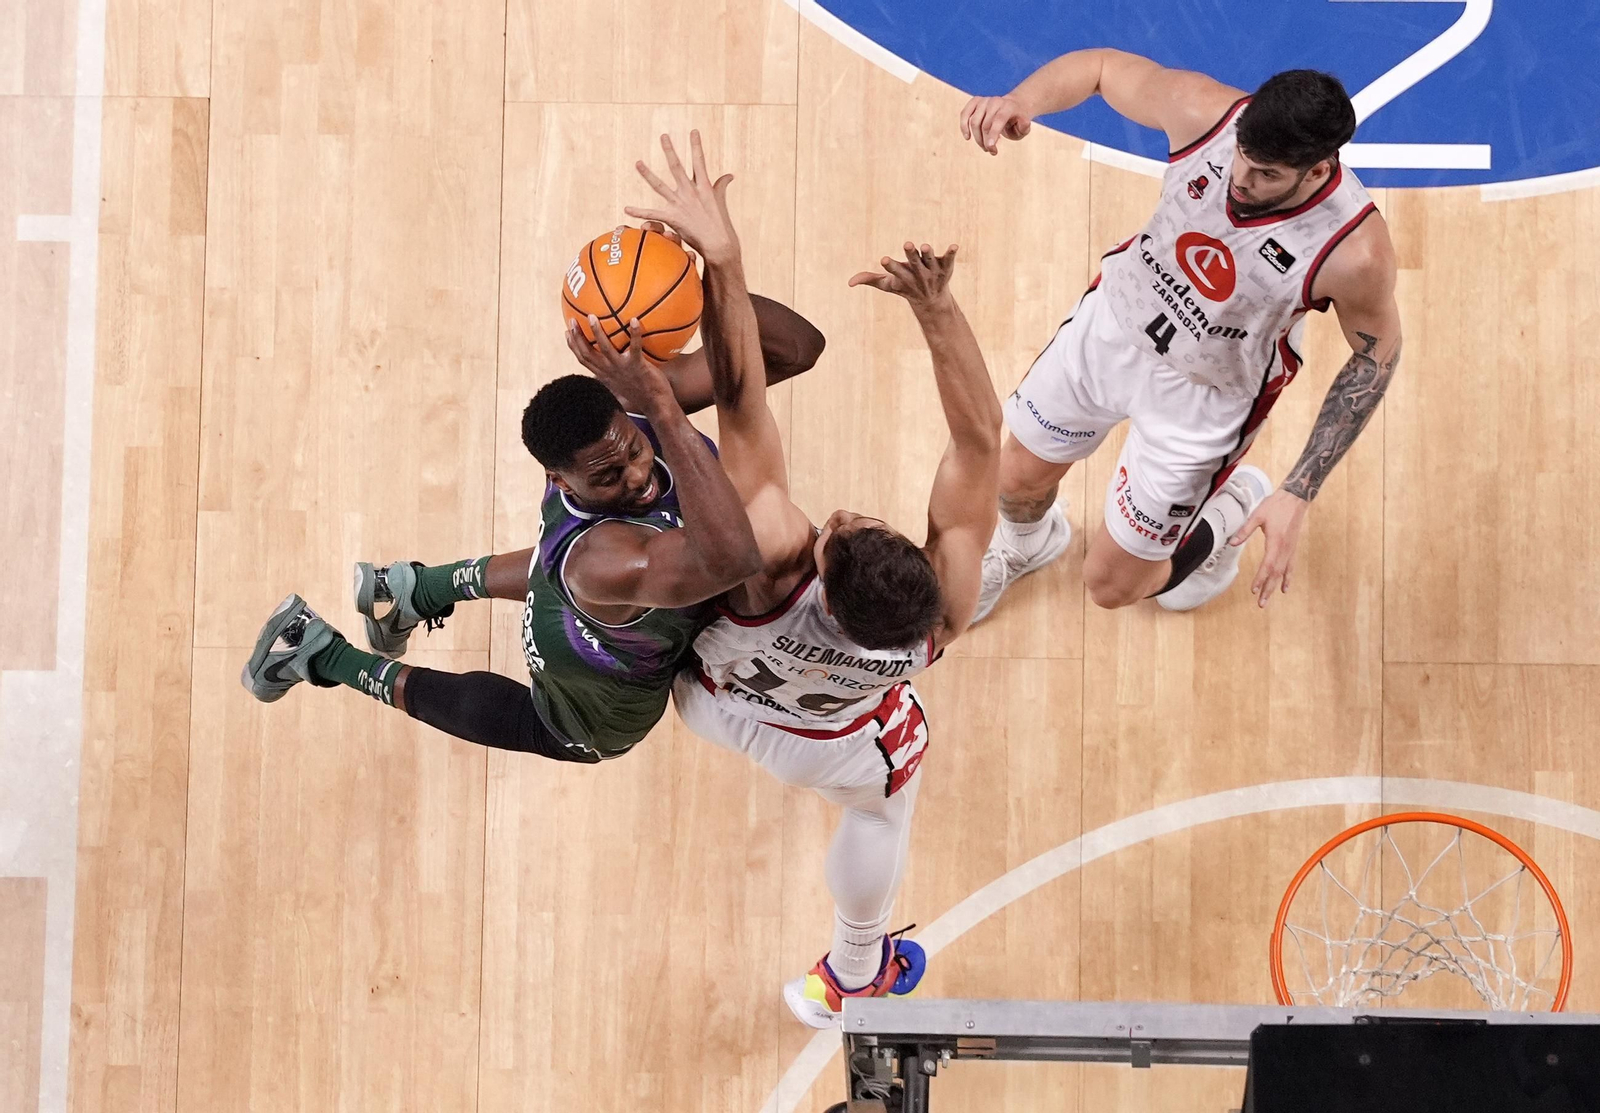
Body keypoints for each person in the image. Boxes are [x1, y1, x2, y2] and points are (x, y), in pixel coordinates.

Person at [621, 133, 1002, 1026]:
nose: (840, 516)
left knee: (710, 537)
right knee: (882, 809)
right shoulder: (944, 613)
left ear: (823, 573)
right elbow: (981, 442)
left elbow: (746, 391)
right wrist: (938, 313)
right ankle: (850, 969)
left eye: (841, 528)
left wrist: (724, 256)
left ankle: (612, 590)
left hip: (715, 698)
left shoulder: (777, 555)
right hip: (828, 738)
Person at [239, 223, 826, 762]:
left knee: (563, 567)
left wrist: (691, 287)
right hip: (599, 682)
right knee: (551, 731)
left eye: (633, 450)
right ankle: (318, 653)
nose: (637, 475)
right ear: (559, 481)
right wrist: (663, 407)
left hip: (569, 583)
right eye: (607, 477)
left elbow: (795, 349)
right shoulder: (608, 553)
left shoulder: (626, 414)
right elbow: (732, 556)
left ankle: (413, 589)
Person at [959, 53, 1401, 615]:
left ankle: (1231, 507)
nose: (1240, 180)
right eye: (1243, 157)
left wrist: (1298, 490)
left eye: (1267, 175)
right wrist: (1023, 101)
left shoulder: (1354, 253)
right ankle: (1028, 544)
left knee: (1113, 588)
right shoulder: (1204, 112)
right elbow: (1099, 68)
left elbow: (1375, 358)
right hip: (1113, 329)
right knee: (1014, 480)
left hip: (1206, 399)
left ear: (1317, 170)